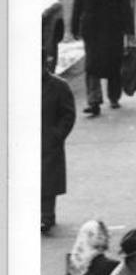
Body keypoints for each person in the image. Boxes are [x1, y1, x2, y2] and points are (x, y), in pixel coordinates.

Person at [70, 0, 134, 117]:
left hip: (113, 26)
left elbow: (125, 4)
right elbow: (78, 2)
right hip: (91, 26)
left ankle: (114, 96)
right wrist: (74, 26)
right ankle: (94, 101)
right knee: (91, 64)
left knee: (114, 61)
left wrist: (130, 31)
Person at [41, 60, 76, 234]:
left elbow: (68, 115)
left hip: (48, 140)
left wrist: (57, 135)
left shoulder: (58, 86)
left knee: (48, 179)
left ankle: (46, 216)